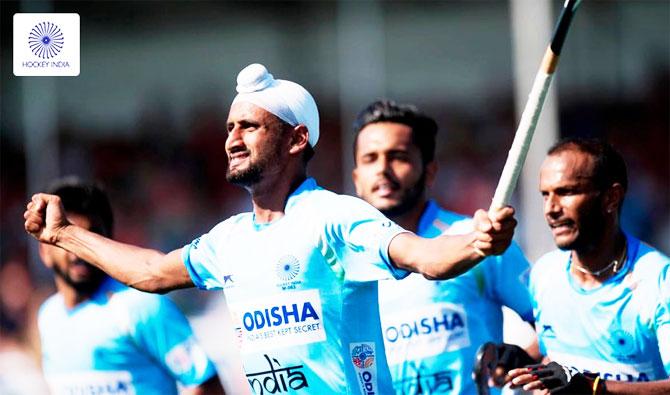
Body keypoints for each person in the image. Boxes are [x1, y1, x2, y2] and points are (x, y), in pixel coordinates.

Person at [24, 63, 518, 394]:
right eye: (229, 128)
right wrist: (63, 234)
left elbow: (424, 257)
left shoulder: (336, 215)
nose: (231, 140)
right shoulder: (229, 239)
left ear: (296, 139)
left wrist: (476, 244)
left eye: (249, 127)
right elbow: (152, 271)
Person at [351, 99, 536, 394]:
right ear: (357, 178)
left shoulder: (478, 239)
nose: (383, 169)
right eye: (370, 158)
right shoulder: (344, 262)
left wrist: (526, 366)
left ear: (430, 171)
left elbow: (555, 323)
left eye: (398, 156)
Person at [495, 138, 670, 394]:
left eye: (566, 192)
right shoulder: (545, 274)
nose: (551, 209)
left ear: (611, 197)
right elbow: (555, 351)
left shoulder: (658, 280)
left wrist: (595, 388)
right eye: (546, 194)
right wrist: (524, 359)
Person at [34, 177, 224, 395]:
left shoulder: (140, 307)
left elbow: (206, 385)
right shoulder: (48, 315)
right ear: (45, 251)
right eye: (67, 241)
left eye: (90, 238)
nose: (79, 253)